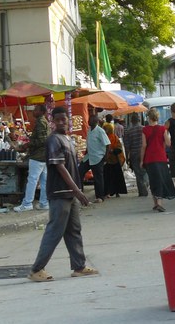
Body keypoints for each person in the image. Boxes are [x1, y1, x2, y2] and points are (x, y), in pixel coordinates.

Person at [28, 106, 98, 282]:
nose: (61, 122)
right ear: (52, 121)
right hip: (60, 192)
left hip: (71, 193)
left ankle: (79, 266)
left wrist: (76, 191)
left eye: (63, 119)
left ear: (68, 120)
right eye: (57, 119)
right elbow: (59, 167)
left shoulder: (67, 138)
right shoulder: (53, 140)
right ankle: (37, 269)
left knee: (74, 230)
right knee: (54, 231)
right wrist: (77, 190)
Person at [14, 104, 50, 212]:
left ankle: (27, 203)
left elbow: (41, 140)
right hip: (44, 155)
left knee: (32, 180)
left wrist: (27, 145)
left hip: (38, 156)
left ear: (41, 111)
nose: (34, 111)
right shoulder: (44, 122)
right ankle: (44, 203)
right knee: (44, 181)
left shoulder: (40, 122)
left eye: (36, 109)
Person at [141, 107, 175, 212]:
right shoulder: (162, 129)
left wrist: (141, 160)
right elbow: (168, 143)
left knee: (153, 180)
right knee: (161, 179)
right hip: (161, 157)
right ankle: (159, 203)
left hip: (149, 158)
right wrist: (161, 145)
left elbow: (143, 145)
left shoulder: (145, 130)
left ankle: (156, 203)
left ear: (149, 118)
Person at [81, 114, 109, 203]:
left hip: (98, 157)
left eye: (91, 120)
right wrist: (85, 153)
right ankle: (80, 193)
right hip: (89, 156)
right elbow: (89, 143)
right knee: (79, 171)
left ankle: (100, 197)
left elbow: (107, 144)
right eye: (89, 120)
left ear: (96, 121)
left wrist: (105, 157)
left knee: (98, 177)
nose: (89, 121)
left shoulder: (100, 131)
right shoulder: (89, 130)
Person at [102, 115, 127, 198]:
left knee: (113, 178)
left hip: (112, 160)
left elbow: (119, 148)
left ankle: (115, 192)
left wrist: (111, 151)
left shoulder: (113, 137)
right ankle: (111, 192)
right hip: (110, 160)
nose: (104, 130)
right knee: (111, 178)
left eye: (105, 129)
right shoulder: (106, 137)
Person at [123, 113, 148, 196]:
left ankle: (142, 192)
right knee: (144, 171)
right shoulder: (144, 129)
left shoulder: (128, 131)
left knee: (137, 173)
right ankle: (146, 183)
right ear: (139, 120)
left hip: (134, 153)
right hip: (144, 153)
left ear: (131, 121)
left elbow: (127, 145)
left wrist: (127, 157)